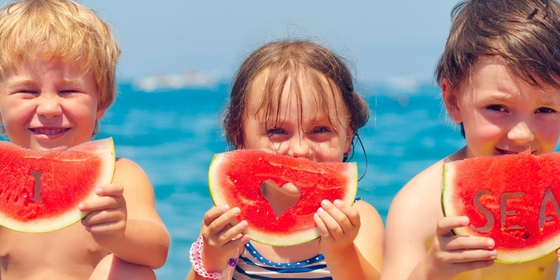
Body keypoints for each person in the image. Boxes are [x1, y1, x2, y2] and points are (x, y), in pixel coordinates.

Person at [382, 0, 560, 279]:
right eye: (498, 108)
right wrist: (431, 271)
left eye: (545, 110)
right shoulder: (416, 206)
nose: (522, 135)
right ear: (454, 100)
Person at [186, 40, 384, 280]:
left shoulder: (359, 218)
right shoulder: (231, 221)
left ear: (347, 138)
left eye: (320, 129)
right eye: (277, 131)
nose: (300, 150)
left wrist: (342, 252)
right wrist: (213, 261)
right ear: (240, 137)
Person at [0, 0, 170, 279]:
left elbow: (158, 252)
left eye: (68, 91)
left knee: (130, 272)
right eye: (27, 92)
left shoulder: (121, 175)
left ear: (100, 100)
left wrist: (121, 233)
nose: (49, 108)